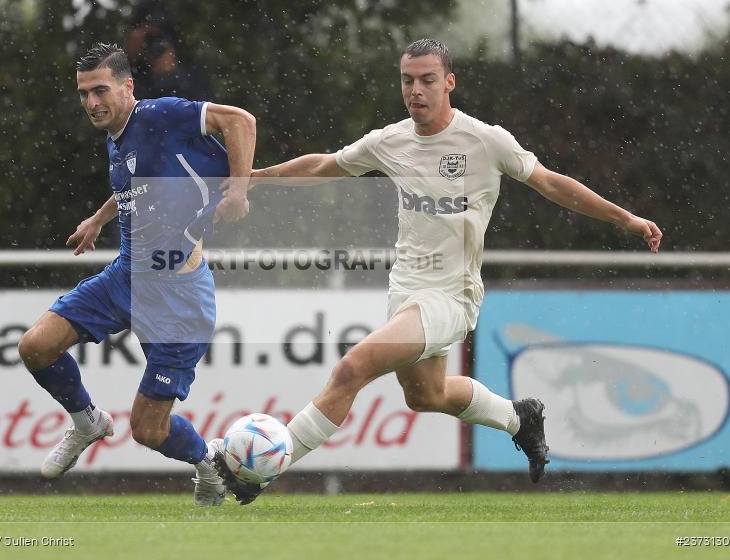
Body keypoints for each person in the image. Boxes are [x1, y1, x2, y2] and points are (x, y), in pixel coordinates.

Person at [215, 38, 662, 504]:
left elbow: (550, 183)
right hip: (404, 287)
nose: (416, 90)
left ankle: (264, 468)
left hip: (451, 294)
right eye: (408, 80)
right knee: (425, 396)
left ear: (449, 82)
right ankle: (519, 418)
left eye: (428, 79)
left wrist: (625, 218)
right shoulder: (390, 141)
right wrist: (256, 177)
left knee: (353, 367)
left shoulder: (486, 140)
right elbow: (326, 165)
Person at [18, 43, 255, 506]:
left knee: (148, 430)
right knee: (35, 347)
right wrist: (99, 218)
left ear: (128, 87)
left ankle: (208, 462)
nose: (91, 102)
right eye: (84, 93)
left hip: (180, 296)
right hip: (127, 276)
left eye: (100, 90)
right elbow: (137, 184)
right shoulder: (117, 135)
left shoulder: (161, 115)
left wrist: (240, 191)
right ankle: (88, 420)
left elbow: (240, 121)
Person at [124, 3, 213, 102]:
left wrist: (170, 73)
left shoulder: (192, 71)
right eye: (146, 36)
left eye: (156, 36)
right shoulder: (126, 73)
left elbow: (200, 109)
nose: (151, 41)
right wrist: (130, 58)